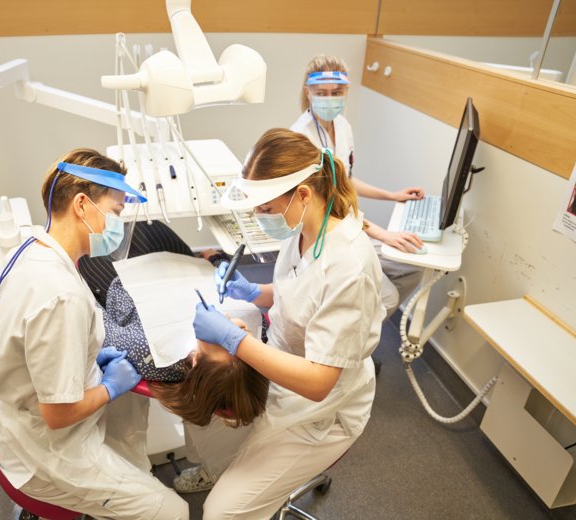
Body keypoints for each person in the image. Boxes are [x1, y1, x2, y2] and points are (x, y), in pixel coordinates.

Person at [188, 128, 384, 519]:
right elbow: (299, 292)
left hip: (322, 409)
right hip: (282, 367)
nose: (259, 218)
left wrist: (237, 342)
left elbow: (319, 383)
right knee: (203, 412)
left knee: (221, 513)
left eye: (265, 209)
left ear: (303, 194)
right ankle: (223, 469)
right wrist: (253, 292)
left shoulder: (349, 265)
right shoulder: (304, 230)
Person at [0, 149, 188, 519]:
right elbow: (58, 415)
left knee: (132, 409)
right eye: (116, 211)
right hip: (47, 447)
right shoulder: (61, 296)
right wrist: (109, 388)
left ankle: (129, 477)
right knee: (170, 511)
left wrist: (91, 357)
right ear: (81, 205)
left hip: (12, 414)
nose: (119, 224)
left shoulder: (29, 248)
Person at [291, 55, 425, 317]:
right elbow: (328, 206)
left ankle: (355, 319)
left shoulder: (342, 126)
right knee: (386, 297)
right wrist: (382, 234)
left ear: (346, 92)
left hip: (349, 225)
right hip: (323, 233)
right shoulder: (300, 138)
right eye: (321, 93)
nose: (329, 99)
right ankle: (351, 328)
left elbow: (346, 180)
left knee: (412, 268)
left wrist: (391, 195)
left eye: (336, 92)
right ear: (308, 92)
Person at [102, 277, 269, 427]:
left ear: (196, 359)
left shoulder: (145, 352)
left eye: (221, 338)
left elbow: (93, 322)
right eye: (242, 331)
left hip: (126, 279)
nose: (225, 317)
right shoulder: (258, 326)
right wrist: (217, 261)